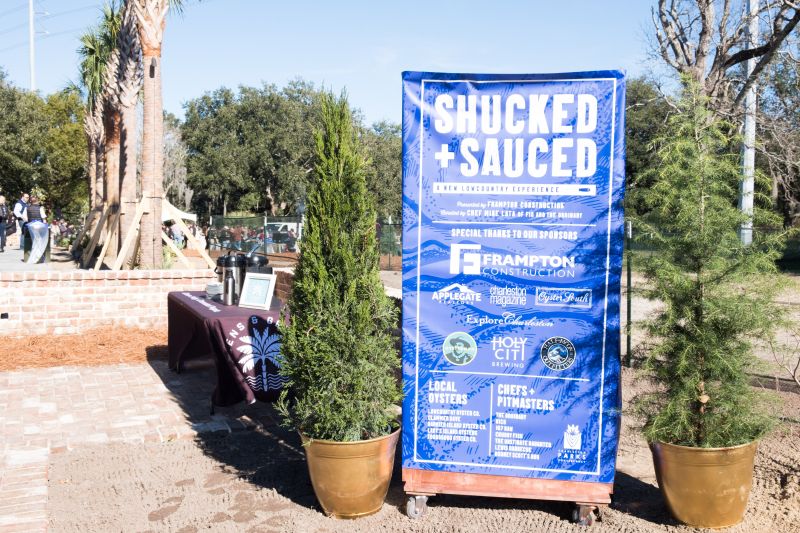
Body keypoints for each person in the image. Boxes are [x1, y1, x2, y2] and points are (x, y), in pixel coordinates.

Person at [22, 196, 48, 264]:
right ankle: (39, 257)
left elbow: (24, 218)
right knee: (40, 242)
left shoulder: (26, 208)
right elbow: (43, 218)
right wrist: (45, 225)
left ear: (30, 201)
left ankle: (32, 256)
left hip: (31, 226)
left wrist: (29, 221)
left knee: (32, 242)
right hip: (39, 226)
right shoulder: (40, 208)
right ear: (37, 201)